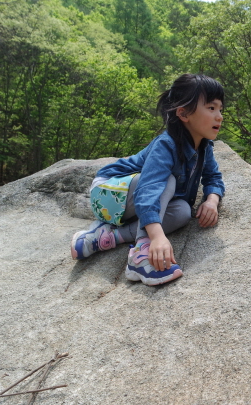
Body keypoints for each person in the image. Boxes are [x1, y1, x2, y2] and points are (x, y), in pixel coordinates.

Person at [70, 73, 225, 286]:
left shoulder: (204, 148)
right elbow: (148, 191)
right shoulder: (166, 145)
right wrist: (156, 238)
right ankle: (139, 255)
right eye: (211, 108)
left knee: (182, 211)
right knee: (166, 181)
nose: (219, 116)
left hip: (130, 201)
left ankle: (106, 237)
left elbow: (213, 177)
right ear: (183, 113)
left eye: (220, 109)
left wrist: (211, 200)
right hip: (108, 192)